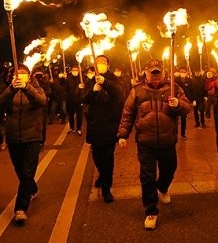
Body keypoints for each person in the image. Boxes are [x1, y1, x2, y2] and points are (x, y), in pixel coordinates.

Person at [117, 58, 191, 230]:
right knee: (147, 176)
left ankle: (163, 187)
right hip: (146, 141)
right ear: (146, 73)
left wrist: (178, 104)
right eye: (152, 73)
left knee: (169, 169)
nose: (156, 76)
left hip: (167, 141)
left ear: (164, 72)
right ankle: (151, 211)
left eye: (158, 72)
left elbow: (187, 108)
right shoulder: (137, 91)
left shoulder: (174, 88)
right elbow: (127, 113)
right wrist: (123, 135)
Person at [0, 63, 46, 225]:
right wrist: (11, 89)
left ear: (29, 75)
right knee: (20, 171)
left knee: (27, 172)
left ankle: (20, 208)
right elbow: (0, 103)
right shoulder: (9, 89)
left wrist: (26, 87)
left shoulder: (36, 88)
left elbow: (41, 102)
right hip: (13, 137)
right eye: (17, 73)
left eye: (24, 73)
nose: (20, 76)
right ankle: (32, 188)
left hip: (32, 136)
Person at [81, 55, 125, 203]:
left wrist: (105, 82)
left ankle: (107, 188)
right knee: (97, 156)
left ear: (108, 64)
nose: (100, 64)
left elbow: (119, 93)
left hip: (110, 125)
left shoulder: (113, 79)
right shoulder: (91, 80)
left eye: (103, 62)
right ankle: (102, 174)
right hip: (94, 125)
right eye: (97, 62)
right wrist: (93, 90)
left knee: (108, 157)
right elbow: (83, 99)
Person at [65, 64, 85, 135]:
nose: (75, 71)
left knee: (79, 115)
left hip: (79, 100)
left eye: (76, 70)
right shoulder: (68, 78)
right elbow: (64, 87)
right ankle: (72, 128)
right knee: (71, 114)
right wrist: (63, 79)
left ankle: (79, 129)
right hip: (70, 100)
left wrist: (82, 87)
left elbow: (85, 88)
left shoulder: (81, 78)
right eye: (73, 70)